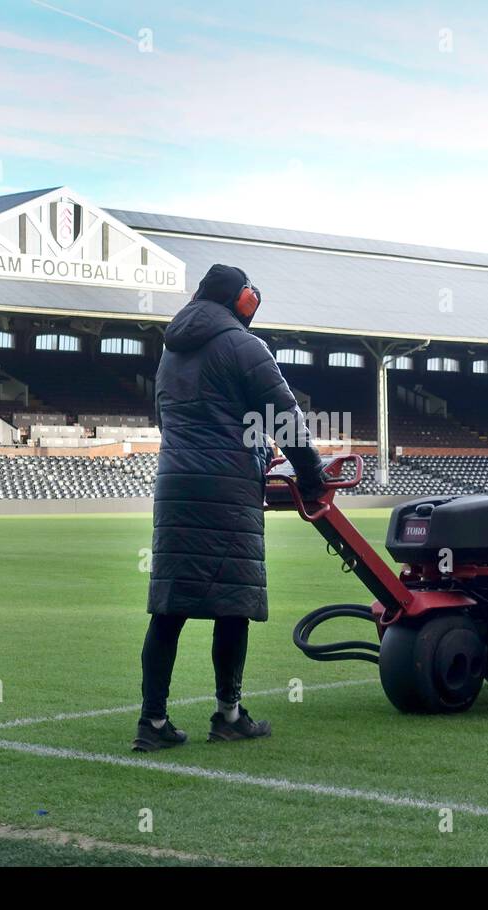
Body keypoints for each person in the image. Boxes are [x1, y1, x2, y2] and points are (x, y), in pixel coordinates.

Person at [133, 264, 326, 752]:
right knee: (233, 603)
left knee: (169, 607)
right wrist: (311, 474)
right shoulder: (245, 346)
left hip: (176, 485)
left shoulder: (170, 353)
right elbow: (285, 417)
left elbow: (169, 420)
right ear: (243, 301)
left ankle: (152, 722)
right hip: (227, 488)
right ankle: (229, 715)